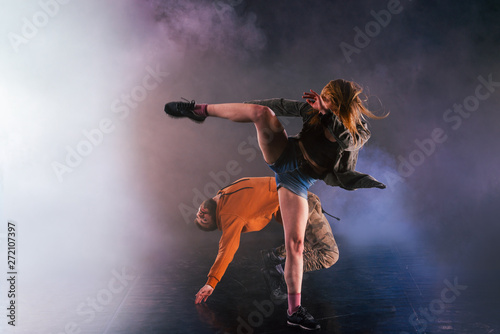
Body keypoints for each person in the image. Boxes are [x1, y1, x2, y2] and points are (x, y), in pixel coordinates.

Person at [165, 79, 386, 330]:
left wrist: (325, 115)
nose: (321, 105)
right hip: (284, 155)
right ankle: (199, 110)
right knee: (262, 113)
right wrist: (242, 107)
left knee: (297, 244)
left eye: (328, 102)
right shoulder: (313, 111)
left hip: (299, 181)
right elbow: (277, 106)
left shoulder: (359, 129)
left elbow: (348, 142)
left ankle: (294, 311)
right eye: (322, 100)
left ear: (340, 104)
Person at [193, 177, 339, 305]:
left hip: (295, 200)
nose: (200, 214)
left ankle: (275, 256)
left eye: (198, 215)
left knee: (312, 244)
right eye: (204, 220)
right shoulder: (229, 215)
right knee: (330, 254)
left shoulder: (223, 193)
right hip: (299, 203)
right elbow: (226, 250)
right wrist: (211, 283)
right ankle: (283, 271)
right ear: (216, 222)